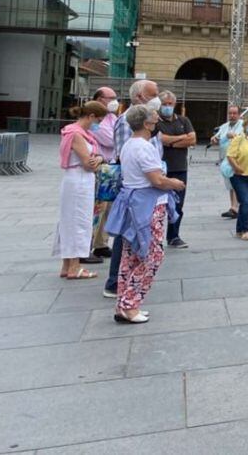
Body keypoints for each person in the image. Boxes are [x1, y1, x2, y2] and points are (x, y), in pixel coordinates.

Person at [106, 105, 185, 322]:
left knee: (131, 255)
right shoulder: (144, 147)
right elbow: (156, 180)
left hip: (134, 201)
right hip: (148, 204)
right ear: (146, 123)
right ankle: (130, 304)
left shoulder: (130, 145)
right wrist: (174, 184)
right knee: (152, 255)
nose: (158, 117)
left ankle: (124, 303)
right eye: (154, 116)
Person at [104, 79, 162, 300]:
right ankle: (113, 282)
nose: (157, 97)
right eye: (153, 93)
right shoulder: (125, 122)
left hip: (149, 187)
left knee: (138, 234)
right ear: (139, 97)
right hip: (135, 188)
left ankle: (129, 279)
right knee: (126, 234)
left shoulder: (148, 122)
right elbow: (123, 156)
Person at [54, 101, 106, 279]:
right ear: (91, 116)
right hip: (80, 181)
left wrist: (97, 157)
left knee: (69, 221)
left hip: (76, 180)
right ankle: (75, 267)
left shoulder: (78, 132)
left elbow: (94, 158)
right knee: (79, 222)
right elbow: (88, 163)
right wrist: (98, 159)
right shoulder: (77, 134)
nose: (99, 124)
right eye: (98, 120)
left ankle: (67, 265)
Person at [157, 91, 196, 249]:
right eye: (164, 104)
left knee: (178, 205)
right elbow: (160, 139)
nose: (167, 107)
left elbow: (192, 139)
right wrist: (181, 138)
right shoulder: (156, 121)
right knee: (158, 206)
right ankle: (156, 238)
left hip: (180, 168)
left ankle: (174, 236)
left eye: (170, 104)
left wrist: (170, 142)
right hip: (161, 169)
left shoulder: (183, 120)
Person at [90, 87, 120, 259]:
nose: (114, 101)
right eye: (111, 98)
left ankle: (101, 243)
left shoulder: (112, 117)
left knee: (108, 207)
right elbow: (111, 139)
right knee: (97, 207)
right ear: (100, 99)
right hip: (99, 166)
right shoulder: (95, 118)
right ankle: (87, 244)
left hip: (111, 166)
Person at [211, 105, 243, 219]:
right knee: (229, 183)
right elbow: (216, 138)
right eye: (230, 113)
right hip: (225, 158)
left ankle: (235, 208)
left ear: (239, 114)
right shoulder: (224, 126)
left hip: (237, 158)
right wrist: (214, 139)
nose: (232, 116)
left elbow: (241, 138)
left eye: (235, 113)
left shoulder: (242, 125)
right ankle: (233, 206)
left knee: (235, 183)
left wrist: (231, 136)